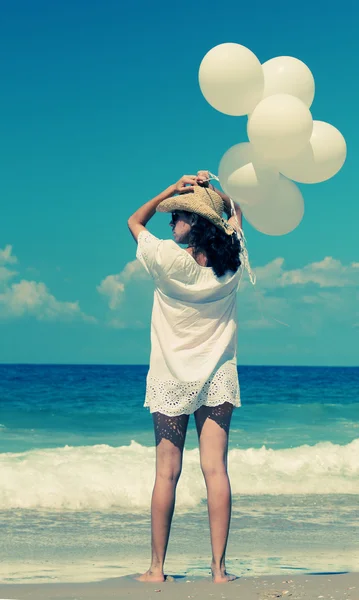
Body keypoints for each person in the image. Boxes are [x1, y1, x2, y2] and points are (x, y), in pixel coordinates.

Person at [127, 170, 244, 584]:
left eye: (175, 215)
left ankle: (157, 569)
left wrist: (173, 189)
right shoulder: (233, 260)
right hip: (217, 378)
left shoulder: (165, 259)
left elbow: (134, 221)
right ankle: (218, 571)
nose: (169, 221)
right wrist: (212, 193)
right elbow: (236, 212)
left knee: (166, 473)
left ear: (192, 222)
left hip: (170, 377)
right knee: (216, 470)